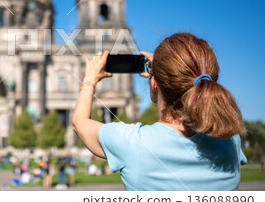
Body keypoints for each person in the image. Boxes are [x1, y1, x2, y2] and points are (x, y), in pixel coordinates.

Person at [72, 33, 247, 191]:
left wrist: (89, 80)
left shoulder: (130, 142)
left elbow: (79, 122)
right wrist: (170, 71)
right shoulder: (231, 141)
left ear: (154, 84)